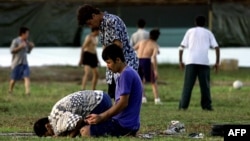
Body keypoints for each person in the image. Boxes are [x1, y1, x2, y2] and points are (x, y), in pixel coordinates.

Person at [80, 44, 143, 137]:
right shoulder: (125, 73)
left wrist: (101, 117)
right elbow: (118, 103)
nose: (108, 67)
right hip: (125, 122)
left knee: (84, 131)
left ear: (118, 60)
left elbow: (123, 103)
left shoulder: (126, 74)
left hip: (124, 125)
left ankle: (127, 132)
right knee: (88, 122)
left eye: (109, 62)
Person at [77, 4, 139, 99]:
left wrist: (110, 62)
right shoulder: (102, 26)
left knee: (124, 99)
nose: (90, 26)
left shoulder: (111, 21)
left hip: (124, 64)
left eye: (90, 23)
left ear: (94, 15)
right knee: (115, 97)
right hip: (113, 66)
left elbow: (117, 46)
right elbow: (105, 46)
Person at [178, 15, 220, 111]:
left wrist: (180, 61)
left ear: (195, 23)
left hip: (191, 62)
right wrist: (217, 62)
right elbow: (217, 47)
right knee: (205, 86)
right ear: (205, 23)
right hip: (204, 62)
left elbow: (181, 47)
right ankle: (206, 106)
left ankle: (183, 106)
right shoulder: (208, 33)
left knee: (188, 85)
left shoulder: (190, 31)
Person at [33, 90, 112, 137]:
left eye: (47, 135)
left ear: (47, 126)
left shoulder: (57, 123)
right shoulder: (54, 113)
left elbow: (78, 121)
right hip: (101, 95)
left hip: (99, 103)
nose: (51, 136)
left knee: (85, 131)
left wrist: (70, 137)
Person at [134, 29, 162, 104]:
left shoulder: (141, 41)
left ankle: (143, 98)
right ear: (157, 37)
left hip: (138, 60)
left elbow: (133, 49)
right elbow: (154, 57)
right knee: (153, 81)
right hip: (146, 61)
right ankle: (157, 99)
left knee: (140, 81)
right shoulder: (154, 44)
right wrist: (155, 70)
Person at [8, 27, 34, 95]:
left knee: (26, 77)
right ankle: (10, 90)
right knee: (14, 79)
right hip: (17, 63)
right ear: (23, 34)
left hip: (25, 63)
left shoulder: (26, 41)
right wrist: (20, 47)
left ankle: (27, 92)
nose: (28, 35)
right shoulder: (16, 41)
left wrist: (31, 47)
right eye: (27, 33)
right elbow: (11, 50)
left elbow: (28, 52)